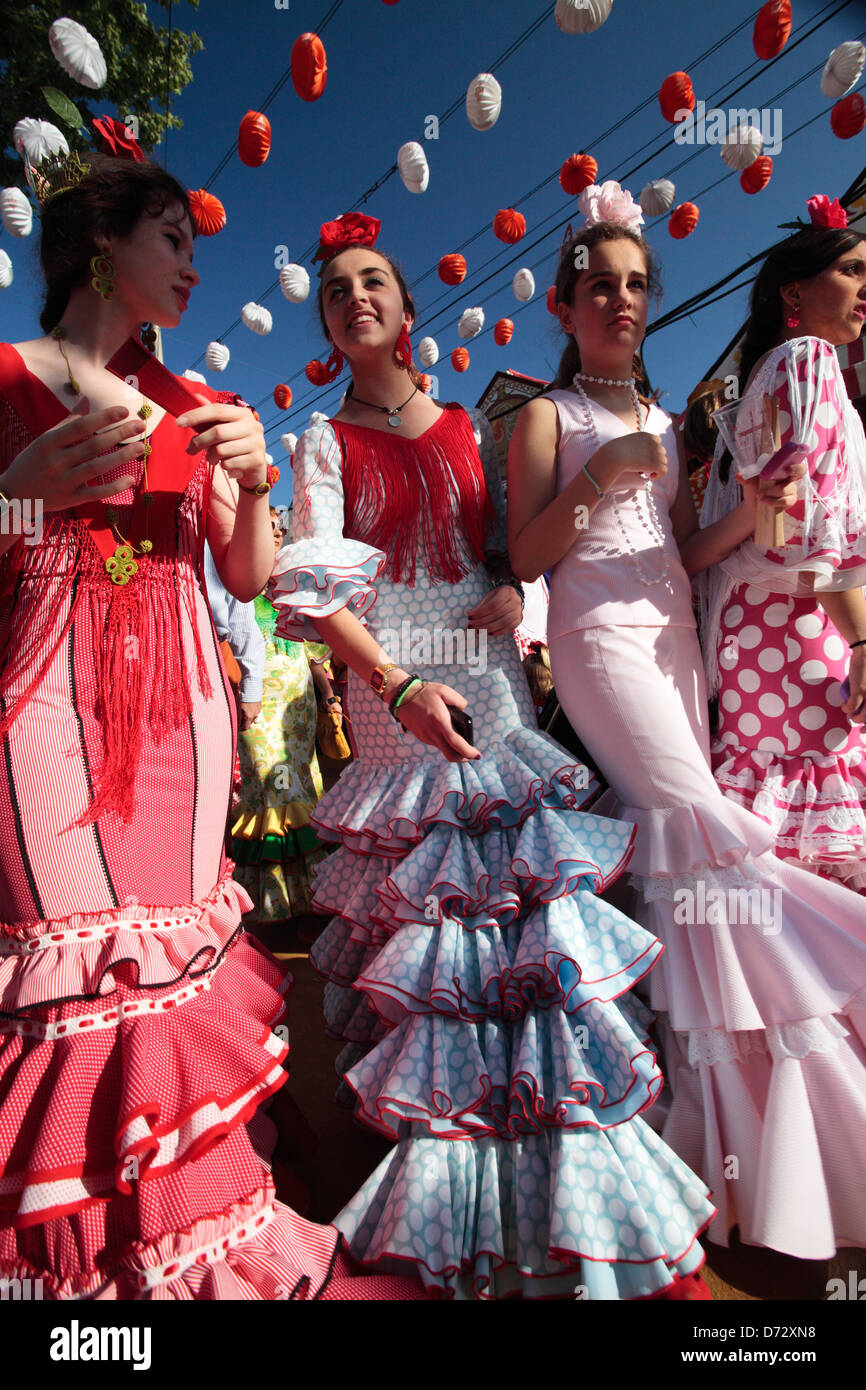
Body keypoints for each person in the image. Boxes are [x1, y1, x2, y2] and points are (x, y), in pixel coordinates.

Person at [270, 211, 715, 1300]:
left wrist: (518, 590)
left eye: (372, 281)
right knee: (433, 934)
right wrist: (396, 683)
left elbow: (510, 550)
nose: (355, 298)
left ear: (407, 309)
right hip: (393, 682)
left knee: (521, 918)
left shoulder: (471, 423)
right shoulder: (319, 443)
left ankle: (563, 1182)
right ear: (328, 326)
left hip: (484, 668)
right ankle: (447, 1195)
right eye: (335, 292)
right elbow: (317, 598)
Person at [0, 150, 421, 1300]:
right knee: (70, 974)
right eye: (173, 240)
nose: (193, 264)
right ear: (102, 245)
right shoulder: (4, 376)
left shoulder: (196, 406)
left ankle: (191, 1245)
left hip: (186, 706)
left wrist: (249, 482)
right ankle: (75, 1282)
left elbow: (250, 576)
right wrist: (17, 488)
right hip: (39, 694)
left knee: (175, 971)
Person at [507, 187, 866, 1262]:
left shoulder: (667, 422)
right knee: (701, 826)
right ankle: (806, 1065)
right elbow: (523, 556)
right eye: (597, 285)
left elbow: (683, 555)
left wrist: (753, 527)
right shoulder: (543, 414)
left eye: (632, 284)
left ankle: (719, 1151)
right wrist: (597, 483)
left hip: (677, 642)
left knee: (679, 874)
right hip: (597, 642)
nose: (617, 298)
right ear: (566, 307)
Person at [700, 215, 866, 894]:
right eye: (852, 272)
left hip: (755, 629)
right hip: (804, 621)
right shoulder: (808, 362)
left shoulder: (763, 378)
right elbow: (802, 537)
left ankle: (781, 983)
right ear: (793, 293)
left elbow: (768, 527)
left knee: (777, 835)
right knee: (825, 813)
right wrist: (862, 638)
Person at [230, 507, 333, 922]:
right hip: (256, 706)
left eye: (278, 528)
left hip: (298, 708)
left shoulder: (294, 587)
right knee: (267, 787)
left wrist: (328, 697)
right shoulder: (233, 583)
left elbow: (315, 655)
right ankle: (271, 905)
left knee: (303, 786)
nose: (274, 534)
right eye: (266, 526)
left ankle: (310, 903)